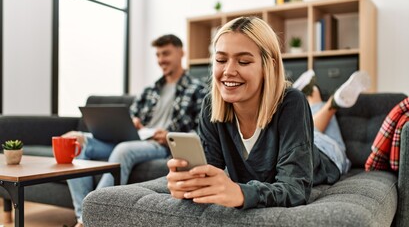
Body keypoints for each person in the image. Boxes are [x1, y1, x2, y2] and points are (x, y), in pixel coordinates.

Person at [165, 16, 357, 209]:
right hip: (297, 135)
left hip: (327, 152)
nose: (229, 71)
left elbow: (294, 190)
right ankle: (314, 97)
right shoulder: (211, 105)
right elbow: (209, 172)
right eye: (221, 59)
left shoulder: (291, 102)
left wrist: (241, 193)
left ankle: (332, 103)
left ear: (269, 66)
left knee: (319, 128)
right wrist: (188, 184)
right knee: (309, 122)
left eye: (244, 62)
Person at [64, 34, 207, 226]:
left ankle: (91, 217)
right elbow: (131, 118)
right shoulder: (150, 90)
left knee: (123, 149)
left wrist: (168, 136)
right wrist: (134, 122)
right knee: (75, 143)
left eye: (166, 53)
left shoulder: (197, 89)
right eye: (157, 55)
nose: (161, 60)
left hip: (160, 144)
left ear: (181, 52)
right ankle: (84, 217)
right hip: (135, 137)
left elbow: (202, 131)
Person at [293, 69, 371, 174]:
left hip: (323, 151)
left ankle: (324, 99)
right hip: (330, 154)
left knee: (308, 134)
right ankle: (321, 97)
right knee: (310, 133)